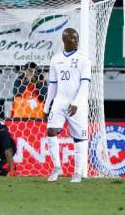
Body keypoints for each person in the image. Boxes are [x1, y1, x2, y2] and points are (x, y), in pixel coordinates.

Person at [44, 28, 91, 183]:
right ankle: (57, 167)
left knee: (79, 139)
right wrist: (46, 107)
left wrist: (77, 102)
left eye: (77, 38)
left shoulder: (84, 59)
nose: (76, 40)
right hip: (59, 102)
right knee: (51, 131)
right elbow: (52, 86)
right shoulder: (55, 59)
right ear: (65, 39)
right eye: (72, 38)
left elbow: (85, 85)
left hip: (78, 104)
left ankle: (77, 172)